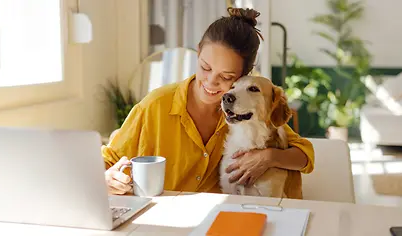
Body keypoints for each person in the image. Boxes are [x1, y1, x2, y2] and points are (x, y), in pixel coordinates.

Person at [101, 7, 315, 199]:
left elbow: (304, 154)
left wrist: (269, 157)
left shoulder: (247, 114)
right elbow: (108, 160)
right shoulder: (155, 106)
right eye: (205, 67)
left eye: (227, 76)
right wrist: (106, 177)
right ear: (199, 51)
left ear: (243, 76)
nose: (211, 82)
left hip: (219, 220)